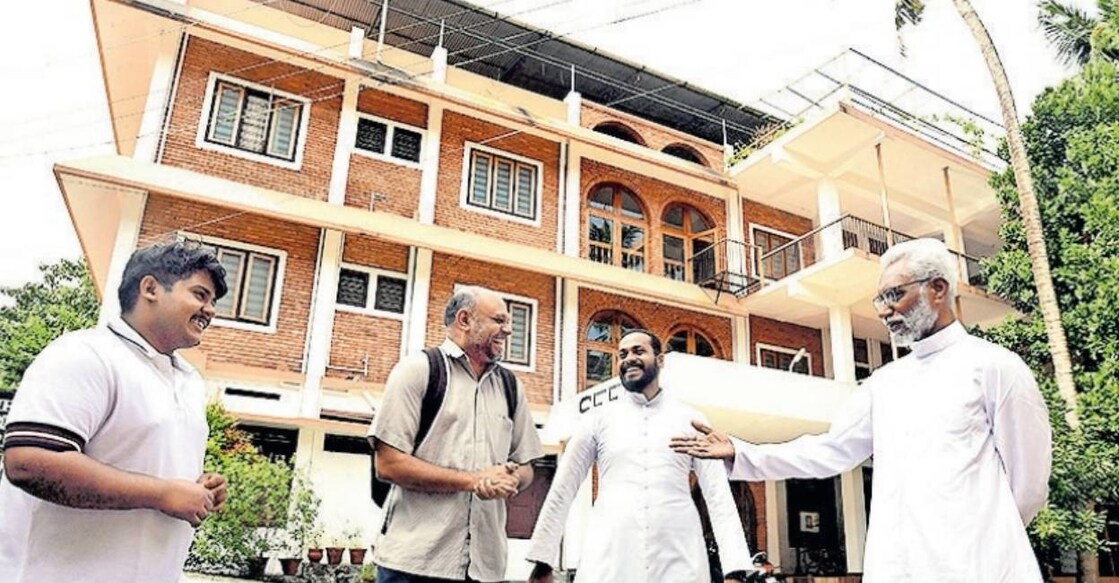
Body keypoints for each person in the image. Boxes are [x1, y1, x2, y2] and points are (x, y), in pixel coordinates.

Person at [671, 238, 1052, 583]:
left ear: (938, 288)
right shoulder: (884, 384)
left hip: (977, 567)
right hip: (896, 566)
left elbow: (1028, 484)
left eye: (894, 295)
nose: (885, 311)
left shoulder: (995, 367)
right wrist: (742, 452)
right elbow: (831, 451)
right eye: (880, 300)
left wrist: (978, 535)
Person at [0, 241, 230, 583]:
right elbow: (29, 462)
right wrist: (163, 493)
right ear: (150, 288)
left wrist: (197, 488)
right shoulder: (86, 353)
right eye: (200, 295)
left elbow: (148, 468)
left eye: (212, 301)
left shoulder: (189, 380)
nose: (210, 310)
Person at [526, 329, 755, 583]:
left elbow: (717, 495)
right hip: (609, 558)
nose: (628, 359)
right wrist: (542, 560)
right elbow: (563, 488)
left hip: (679, 558)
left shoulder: (691, 420)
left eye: (638, 351)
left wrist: (735, 569)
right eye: (622, 354)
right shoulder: (596, 419)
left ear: (660, 360)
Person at [370, 285, 544, 583]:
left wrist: (511, 478)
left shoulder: (511, 386)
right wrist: (474, 481)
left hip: (484, 568)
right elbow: (388, 464)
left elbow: (527, 465)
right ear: (465, 320)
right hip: (414, 567)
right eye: (499, 321)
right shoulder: (418, 370)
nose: (508, 331)